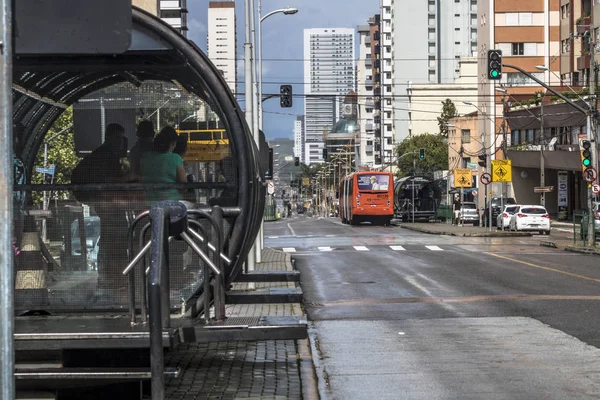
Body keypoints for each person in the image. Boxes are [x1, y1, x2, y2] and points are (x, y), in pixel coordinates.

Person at [71, 123, 131, 299]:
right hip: (107, 202)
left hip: (104, 202)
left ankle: (110, 275)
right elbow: (110, 180)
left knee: (110, 236)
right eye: (119, 138)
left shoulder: (102, 154)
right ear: (111, 137)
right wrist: (129, 177)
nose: (122, 142)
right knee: (114, 236)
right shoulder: (106, 156)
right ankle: (112, 276)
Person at [140, 126, 187, 204]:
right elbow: (183, 184)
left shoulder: (145, 157)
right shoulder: (176, 158)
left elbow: (139, 176)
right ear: (173, 143)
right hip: (172, 204)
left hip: (149, 203)